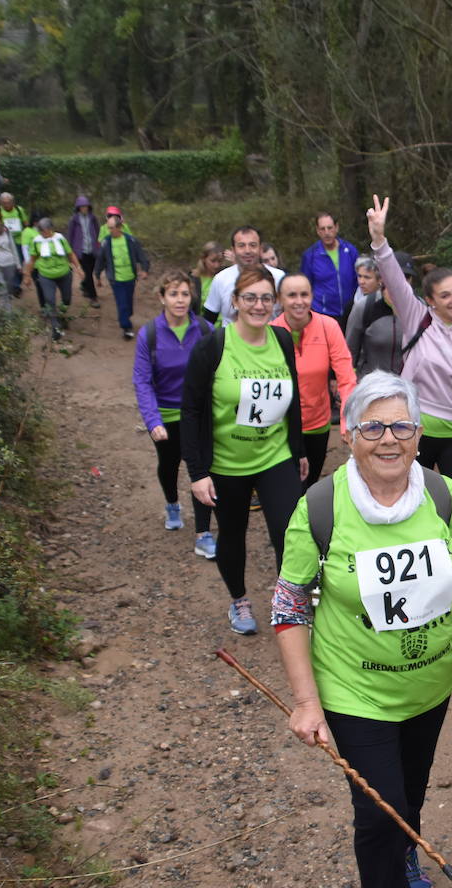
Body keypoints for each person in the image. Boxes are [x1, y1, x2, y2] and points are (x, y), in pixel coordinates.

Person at [272, 370, 452, 888]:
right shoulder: (320, 509)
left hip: (430, 685)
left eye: (401, 426)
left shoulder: (442, 495)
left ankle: (407, 850)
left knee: (407, 789)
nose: (389, 439)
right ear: (348, 434)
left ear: (420, 432)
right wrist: (307, 700)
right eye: (374, 427)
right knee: (379, 814)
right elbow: (289, 609)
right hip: (354, 690)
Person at [182, 265, 307, 637]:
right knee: (232, 534)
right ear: (234, 301)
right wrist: (197, 473)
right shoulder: (213, 346)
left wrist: (297, 448)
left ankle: (290, 601)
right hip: (226, 462)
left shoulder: (283, 340)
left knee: (291, 531)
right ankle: (239, 599)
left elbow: (291, 399)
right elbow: (190, 409)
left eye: (267, 298)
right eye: (250, 297)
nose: (259, 305)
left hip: (275, 456)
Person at [366, 196, 452, 516]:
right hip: (411, 430)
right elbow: (394, 277)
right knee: (411, 508)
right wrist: (379, 240)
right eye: (446, 295)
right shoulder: (417, 319)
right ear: (430, 301)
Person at [132, 270, 217, 560]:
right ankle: (171, 502)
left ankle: (203, 534)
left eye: (185, 294)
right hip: (166, 415)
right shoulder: (150, 334)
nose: (180, 300)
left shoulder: (205, 330)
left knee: (201, 469)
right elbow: (142, 381)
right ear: (162, 298)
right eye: (173, 294)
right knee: (168, 466)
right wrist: (152, 420)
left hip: (200, 416)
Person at [269, 272, 357, 488]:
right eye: (291, 295)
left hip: (318, 424)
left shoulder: (328, 327)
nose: (299, 302)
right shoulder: (270, 331)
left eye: (304, 294)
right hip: (281, 428)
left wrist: (347, 420)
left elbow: (346, 377)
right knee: (287, 489)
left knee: (309, 486)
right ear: (280, 299)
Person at [346, 252, 416, 378]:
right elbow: (349, 351)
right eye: (397, 276)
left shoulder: (419, 309)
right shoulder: (365, 307)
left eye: (407, 277)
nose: (402, 282)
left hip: (408, 388)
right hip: (372, 388)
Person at [203, 226, 285, 325]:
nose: (247, 250)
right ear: (233, 250)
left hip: (269, 337)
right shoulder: (221, 279)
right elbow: (208, 320)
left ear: (260, 248)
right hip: (230, 339)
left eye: (253, 245)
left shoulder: (279, 278)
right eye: (241, 246)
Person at [94, 206, 151, 340]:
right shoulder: (106, 242)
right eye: (108, 228)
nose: (109, 230)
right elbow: (100, 260)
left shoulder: (131, 240)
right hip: (116, 279)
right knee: (121, 303)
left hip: (130, 277)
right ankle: (126, 327)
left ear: (119, 228)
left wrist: (144, 270)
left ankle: (126, 316)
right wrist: (97, 276)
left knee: (128, 302)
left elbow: (142, 256)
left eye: (112, 228)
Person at [21, 217, 82, 341]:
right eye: (41, 231)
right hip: (46, 275)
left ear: (50, 229)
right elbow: (32, 259)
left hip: (64, 273)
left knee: (66, 299)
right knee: (49, 300)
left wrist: (78, 268)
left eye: (44, 231)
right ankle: (55, 327)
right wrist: (27, 275)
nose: (43, 233)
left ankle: (60, 313)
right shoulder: (37, 241)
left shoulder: (60, 238)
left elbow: (70, 254)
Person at [300, 211, 360, 322]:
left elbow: (358, 280)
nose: (327, 232)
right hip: (322, 314)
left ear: (336, 228)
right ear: (318, 231)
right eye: (322, 229)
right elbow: (305, 286)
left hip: (350, 313)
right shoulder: (310, 256)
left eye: (330, 228)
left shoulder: (350, 251)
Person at [66, 196, 101, 305]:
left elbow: (98, 231)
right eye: (81, 207)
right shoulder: (74, 220)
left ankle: (85, 286)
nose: (84, 209)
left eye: (85, 206)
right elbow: (70, 235)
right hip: (80, 251)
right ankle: (93, 297)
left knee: (90, 271)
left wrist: (99, 244)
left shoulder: (93, 218)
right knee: (88, 274)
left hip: (92, 249)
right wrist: (70, 252)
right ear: (78, 208)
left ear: (89, 207)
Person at [190, 241, 225, 316]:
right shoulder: (193, 279)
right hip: (202, 324)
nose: (216, 265)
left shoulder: (225, 276)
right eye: (213, 261)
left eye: (220, 261)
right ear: (203, 259)